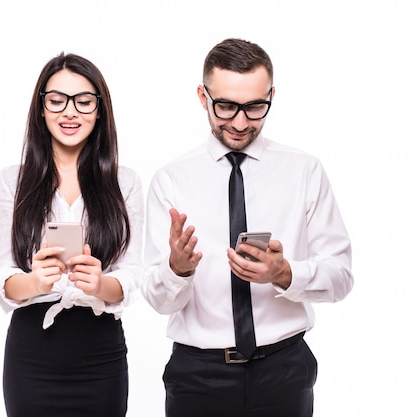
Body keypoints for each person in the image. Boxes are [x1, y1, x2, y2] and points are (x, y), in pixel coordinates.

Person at [141, 38, 353, 417]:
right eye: (226, 106)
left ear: (271, 95)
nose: (240, 123)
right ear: (203, 97)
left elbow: (341, 277)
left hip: (284, 371)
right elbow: (159, 302)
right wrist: (177, 270)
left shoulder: (304, 170)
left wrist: (287, 274)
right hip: (197, 376)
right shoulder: (171, 179)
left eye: (255, 107)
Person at [0, 52, 143, 417]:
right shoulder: (12, 181)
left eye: (84, 101)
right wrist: (35, 283)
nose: (69, 112)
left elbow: (132, 274)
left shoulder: (125, 182)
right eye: (57, 100)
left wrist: (98, 283)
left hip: (100, 352)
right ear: (41, 108)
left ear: (99, 110)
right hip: (31, 354)